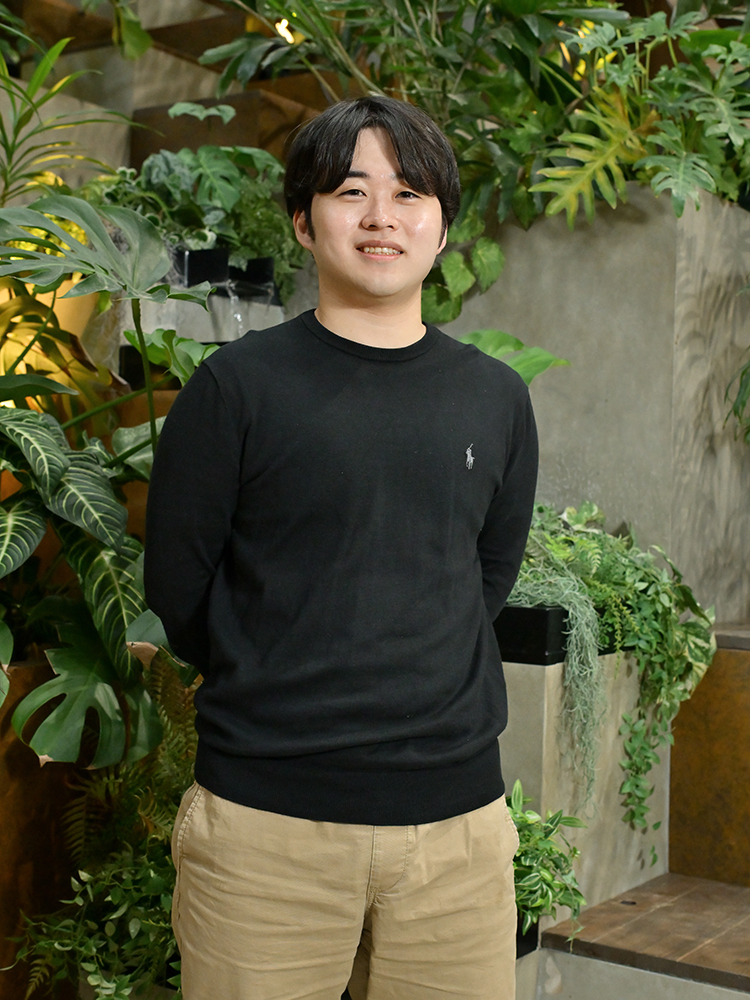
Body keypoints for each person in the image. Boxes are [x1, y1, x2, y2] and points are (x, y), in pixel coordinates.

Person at [144, 95, 538, 1000]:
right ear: (302, 220)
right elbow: (178, 583)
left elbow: (485, 576)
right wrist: (278, 662)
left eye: (408, 193)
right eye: (350, 191)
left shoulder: (496, 399)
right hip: (266, 832)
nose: (380, 218)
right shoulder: (236, 388)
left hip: (457, 836)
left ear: (443, 228)